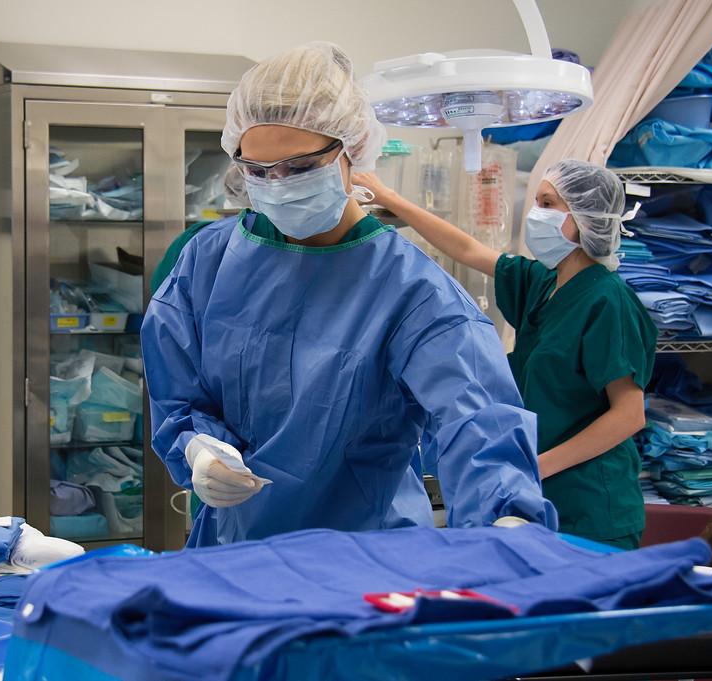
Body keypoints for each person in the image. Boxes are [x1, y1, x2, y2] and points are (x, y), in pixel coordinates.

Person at [142, 42, 556, 549]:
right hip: (235, 552)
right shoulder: (206, 264)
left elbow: (476, 419)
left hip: (371, 560)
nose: (277, 186)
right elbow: (177, 391)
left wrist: (507, 519)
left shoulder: (413, 292)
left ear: (352, 152)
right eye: (258, 171)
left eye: (298, 168)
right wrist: (199, 449)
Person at [355, 159, 657, 549]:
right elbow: (466, 248)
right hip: (536, 492)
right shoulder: (542, 283)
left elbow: (629, 415)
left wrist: (537, 466)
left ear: (585, 218)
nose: (536, 214)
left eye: (548, 204)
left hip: (591, 504)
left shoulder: (608, 300)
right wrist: (394, 203)